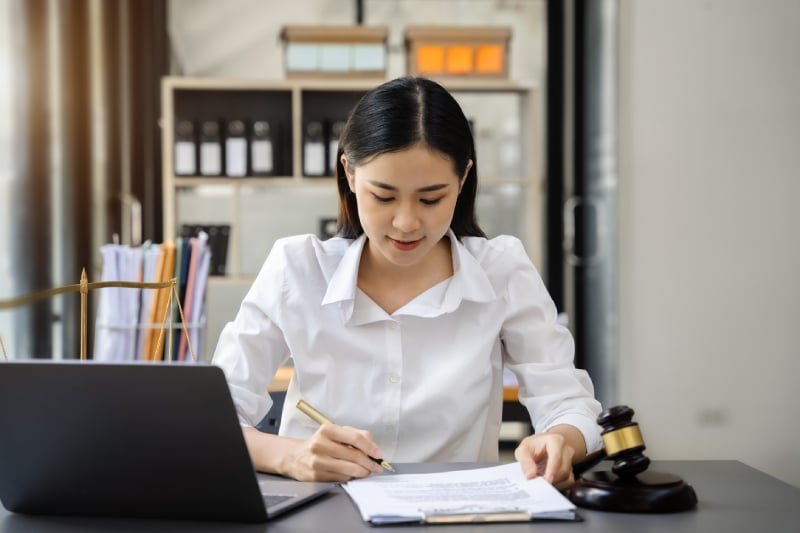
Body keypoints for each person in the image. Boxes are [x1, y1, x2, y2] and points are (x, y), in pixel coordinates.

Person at [212, 76, 602, 489]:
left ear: (464, 178)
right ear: (348, 172)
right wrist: (289, 455)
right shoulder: (297, 269)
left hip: (456, 514)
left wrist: (560, 440)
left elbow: (568, 403)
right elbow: (213, 418)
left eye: (431, 198)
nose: (406, 222)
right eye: (383, 196)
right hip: (321, 512)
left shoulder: (500, 270)